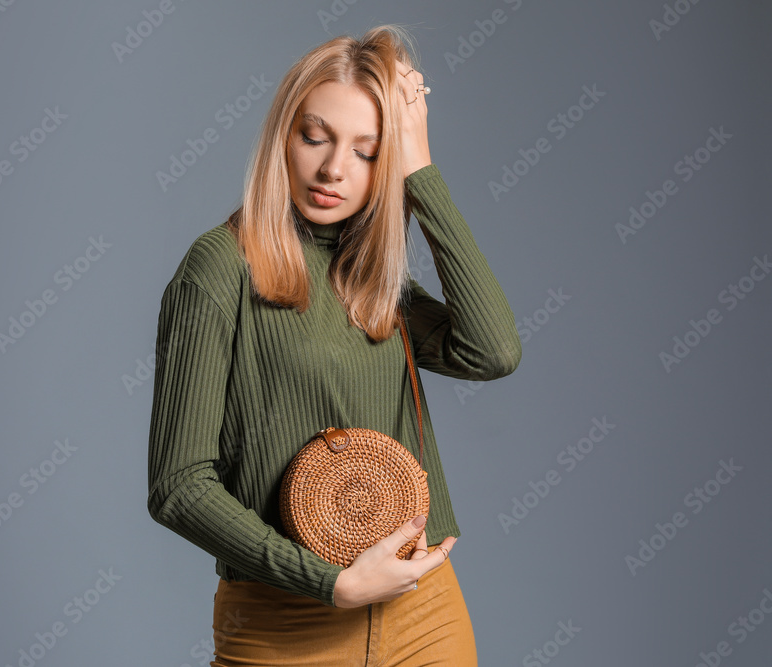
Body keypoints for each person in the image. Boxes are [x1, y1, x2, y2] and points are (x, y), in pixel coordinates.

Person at [147, 24, 521, 666]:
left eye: (369, 152)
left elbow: (492, 351)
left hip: (423, 609)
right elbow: (178, 484)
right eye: (314, 136)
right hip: (284, 620)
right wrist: (332, 582)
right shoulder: (219, 269)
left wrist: (423, 173)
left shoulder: (369, 276)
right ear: (281, 137)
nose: (332, 169)